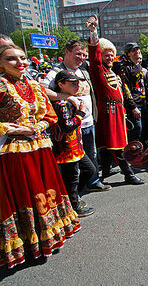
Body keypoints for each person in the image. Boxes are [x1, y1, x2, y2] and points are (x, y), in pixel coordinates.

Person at [0, 44, 80, 268]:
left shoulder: (34, 85)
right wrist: (11, 129)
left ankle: (49, 234)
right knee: (25, 194)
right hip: (14, 152)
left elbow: (50, 115)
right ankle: (26, 245)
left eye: (23, 58)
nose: (20, 63)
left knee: (45, 191)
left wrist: (40, 125)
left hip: (41, 148)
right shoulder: (1, 86)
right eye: (12, 59)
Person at [42, 40, 110, 192]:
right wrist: (65, 97)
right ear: (66, 52)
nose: (81, 58)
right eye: (78, 54)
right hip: (69, 126)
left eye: (84, 55)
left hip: (88, 121)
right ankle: (71, 193)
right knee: (70, 162)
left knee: (90, 154)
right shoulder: (56, 72)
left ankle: (92, 183)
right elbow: (42, 90)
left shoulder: (84, 69)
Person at [86, 15, 144, 185]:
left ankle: (105, 169)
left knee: (106, 144)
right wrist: (93, 31)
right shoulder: (98, 70)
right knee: (117, 144)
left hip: (118, 111)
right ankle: (129, 174)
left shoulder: (112, 72)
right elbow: (93, 55)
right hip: (108, 111)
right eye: (106, 55)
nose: (110, 58)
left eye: (112, 55)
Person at [51, 70, 96, 217]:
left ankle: (74, 198)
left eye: (77, 83)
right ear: (61, 84)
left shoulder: (70, 101)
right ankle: (73, 206)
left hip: (76, 147)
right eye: (72, 83)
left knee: (89, 170)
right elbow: (68, 126)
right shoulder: (61, 104)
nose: (76, 86)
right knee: (72, 179)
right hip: (66, 149)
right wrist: (81, 113)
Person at [112, 42, 148, 142]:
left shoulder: (139, 66)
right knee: (136, 131)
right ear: (128, 54)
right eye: (133, 50)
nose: (137, 52)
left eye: (137, 49)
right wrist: (133, 107)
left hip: (143, 103)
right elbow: (125, 88)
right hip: (134, 106)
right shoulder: (125, 67)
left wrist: (147, 101)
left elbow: (143, 85)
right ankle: (133, 155)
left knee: (144, 132)